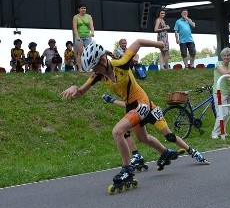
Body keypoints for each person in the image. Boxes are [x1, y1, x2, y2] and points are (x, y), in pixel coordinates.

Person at [60, 40, 210, 190]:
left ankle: (127, 169)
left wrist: (159, 45)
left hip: (142, 102)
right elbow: (80, 93)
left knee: (119, 131)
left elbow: (138, 42)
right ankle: (165, 153)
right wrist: (75, 88)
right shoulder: (98, 75)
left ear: (103, 59)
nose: (94, 70)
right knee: (142, 138)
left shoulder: (121, 63)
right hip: (130, 106)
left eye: (95, 66)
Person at [72, 3, 95, 71]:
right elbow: (75, 27)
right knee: (80, 52)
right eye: (82, 8)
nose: (83, 9)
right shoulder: (76, 17)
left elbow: (91, 25)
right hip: (79, 37)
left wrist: (92, 32)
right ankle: (80, 68)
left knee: (89, 52)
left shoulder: (89, 16)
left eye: (84, 8)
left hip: (87, 36)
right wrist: (77, 36)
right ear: (79, 9)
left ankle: (88, 67)